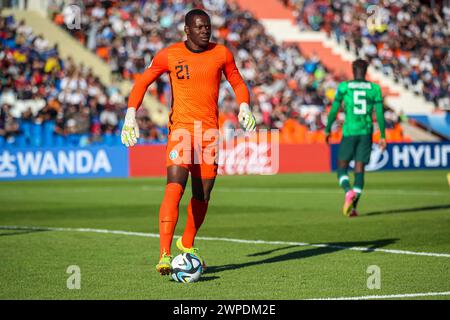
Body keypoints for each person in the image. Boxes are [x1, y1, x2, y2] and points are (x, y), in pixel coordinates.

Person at [120, 9, 256, 275]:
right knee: (174, 188)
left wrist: (244, 106)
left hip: (209, 135)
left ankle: (187, 242)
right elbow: (142, 82)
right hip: (181, 131)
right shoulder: (169, 54)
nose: (206, 30)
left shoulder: (222, 54)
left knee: (203, 194)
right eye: (200, 27)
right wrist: (130, 114)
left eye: (208, 26)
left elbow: (237, 81)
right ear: (187, 30)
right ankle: (164, 254)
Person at [325, 59, 386, 217]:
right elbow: (379, 113)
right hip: (366, 132)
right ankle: (353, 208)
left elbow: (334, 111)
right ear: (366, 71)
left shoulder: (345, 87)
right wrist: (383, 136)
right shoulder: (374, 89)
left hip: (350, 131)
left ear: (353, 70)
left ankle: (347, 191)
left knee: (341, 166)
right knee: (360, 169)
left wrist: (327, 129)